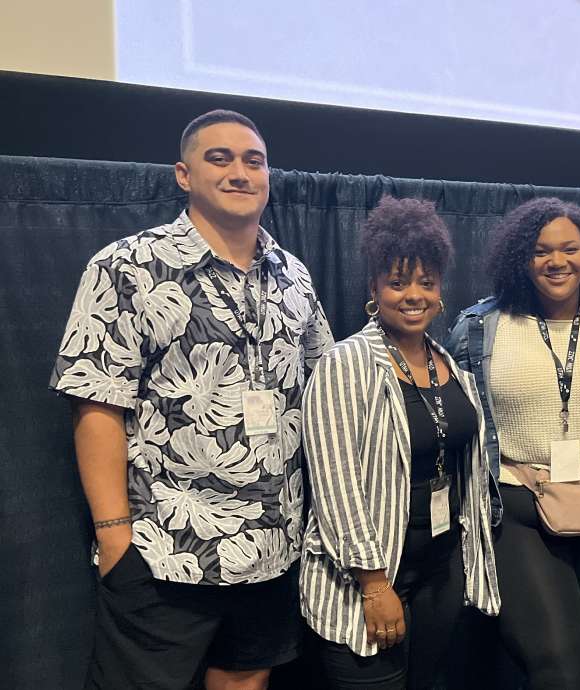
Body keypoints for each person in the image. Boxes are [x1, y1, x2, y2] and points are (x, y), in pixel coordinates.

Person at [49, 109, 334, 689]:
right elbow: (96, 404)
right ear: (183, 175)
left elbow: (323, 385)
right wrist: (113, 534)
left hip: (272, 545)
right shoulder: (127, 266)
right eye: (219, 158)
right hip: (166, 551)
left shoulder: (293, 276)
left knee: (245, 681)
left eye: (253, 161)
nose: (239, 173)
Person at [299, 197, 500, 689]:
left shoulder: (451, 366)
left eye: (426, 283)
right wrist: (373, 584)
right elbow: (335, 483)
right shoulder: (345, 363)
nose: (414, 295)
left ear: (440, 292)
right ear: (374, 289)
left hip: (440, 570)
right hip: (368, 579)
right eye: (398, 282)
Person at [445, 197, 580, 690]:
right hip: (517, 504)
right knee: (562, 665)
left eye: (569, 248)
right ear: (519, 257)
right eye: (541, 251)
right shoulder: (480, 328)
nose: (557, 261)